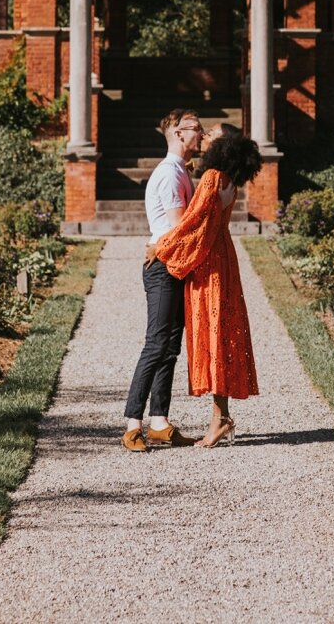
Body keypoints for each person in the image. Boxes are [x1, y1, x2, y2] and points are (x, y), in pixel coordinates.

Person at [152, 125, 263, 448]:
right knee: (220, 335)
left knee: (213, 337)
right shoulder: (226, 180)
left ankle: (220, 419)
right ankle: (221, 417)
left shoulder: (214, 177)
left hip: (211, 264)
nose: (205, 136)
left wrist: (160, 248)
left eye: (212, 134)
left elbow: (191, 223)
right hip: (222, 259)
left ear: (223, 145)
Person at [122, 108, 204, 452]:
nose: (201, 133)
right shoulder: (170, 174)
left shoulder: (181, 171)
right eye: (195, 129)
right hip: (162, 267)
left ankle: (159, 421)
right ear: (178, 134)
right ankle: (132, 425)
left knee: (170, 347)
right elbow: (179, 226)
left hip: (175, 265)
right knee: (156, 344)